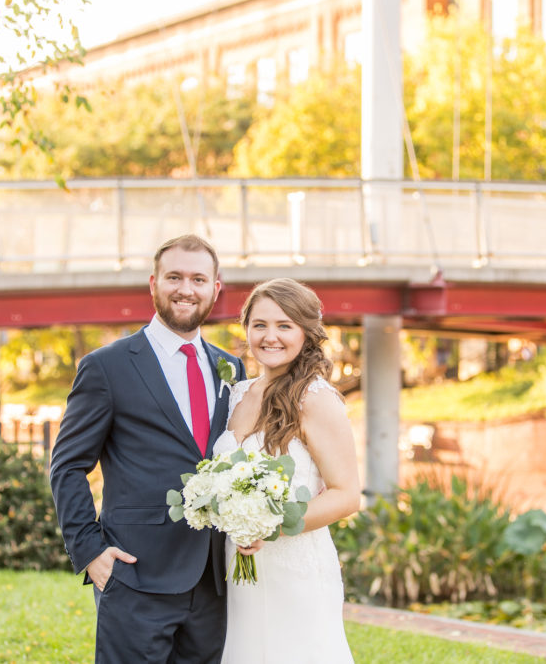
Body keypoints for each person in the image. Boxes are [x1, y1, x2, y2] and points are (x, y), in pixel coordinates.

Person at [49, 234, 246, 664]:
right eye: (174, 277)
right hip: (134, 574)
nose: (185, 289)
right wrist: (90, 552)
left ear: (216, 289)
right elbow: (66, 466)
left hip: (212, 580)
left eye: (198, 279)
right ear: (153, 284)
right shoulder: (107, 366)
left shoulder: (231, 367)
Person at [213, 278, 361, 663]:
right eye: (259, 325)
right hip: (240, 567)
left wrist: (270, 525)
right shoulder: (237, 395)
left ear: (306, 333)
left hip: (296, 569)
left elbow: (346, 494)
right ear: (245, 329)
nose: (270, 336)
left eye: (284, 325)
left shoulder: (316, 398)